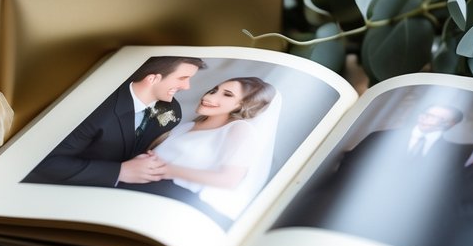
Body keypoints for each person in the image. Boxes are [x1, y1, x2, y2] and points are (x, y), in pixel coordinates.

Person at [273, 102, 467, 246]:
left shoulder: (456, 153)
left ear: (450, 124)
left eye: (437, 118)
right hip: (356, 204)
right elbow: (349, 167)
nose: (427, 119)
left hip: (404, 222)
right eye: (427, 114)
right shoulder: (381, 137)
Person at [23, 56, 206, 187]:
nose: (186, 86)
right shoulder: (96, 107)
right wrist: (119, 172)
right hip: (62, 187)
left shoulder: (172, 110)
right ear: (152, 78)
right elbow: (45, 163)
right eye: (183, 78)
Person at [138, 77, 280, 228]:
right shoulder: (187, 126)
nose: (208, 97)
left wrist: (166, 170)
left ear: (243, 104)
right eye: (214, 90)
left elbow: (229, 180)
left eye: (227, 95)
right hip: (144, 186)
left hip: (174, 199)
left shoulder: (240, 129)